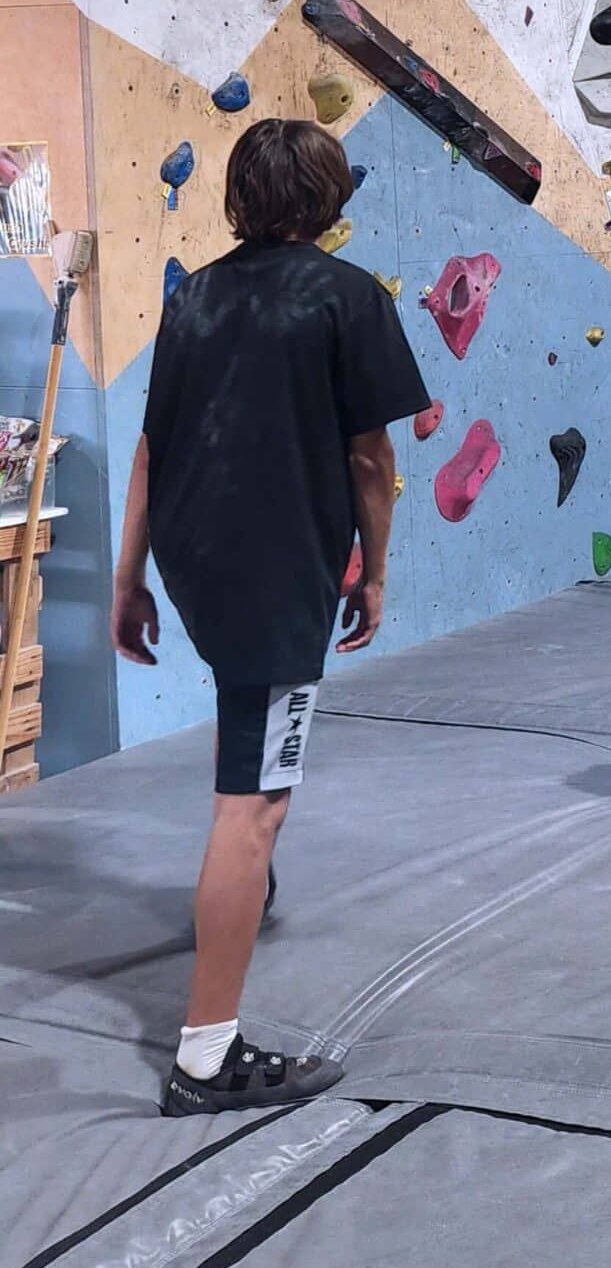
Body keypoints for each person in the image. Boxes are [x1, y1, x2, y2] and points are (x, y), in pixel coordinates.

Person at [110, 119, 430, 1115]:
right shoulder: (348, 298)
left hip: (197, 558)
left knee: (248, 756)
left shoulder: (194, 296)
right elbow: (372, 462)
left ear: (239, 198)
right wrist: (374, 572)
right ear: (330, 197)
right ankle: (206, 1058)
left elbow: (153, 451)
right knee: (254, 802)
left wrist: (127, 584)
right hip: (275, 571)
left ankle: (248, 889)